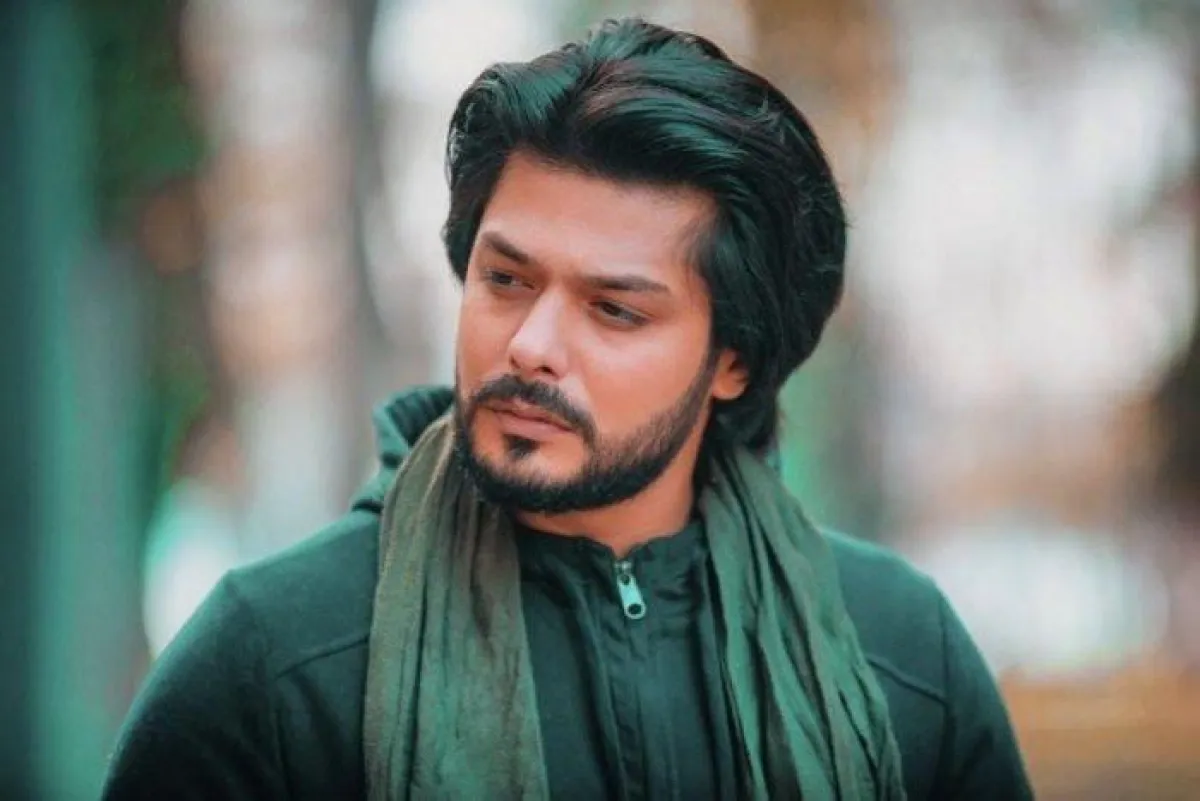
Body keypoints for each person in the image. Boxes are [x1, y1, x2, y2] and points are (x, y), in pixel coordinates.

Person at [102, 18, 1032, 801]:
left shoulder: (899, 652)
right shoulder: (276, 662)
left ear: (733, 361)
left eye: (614, 309)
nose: (531, 344)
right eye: (505, 279)